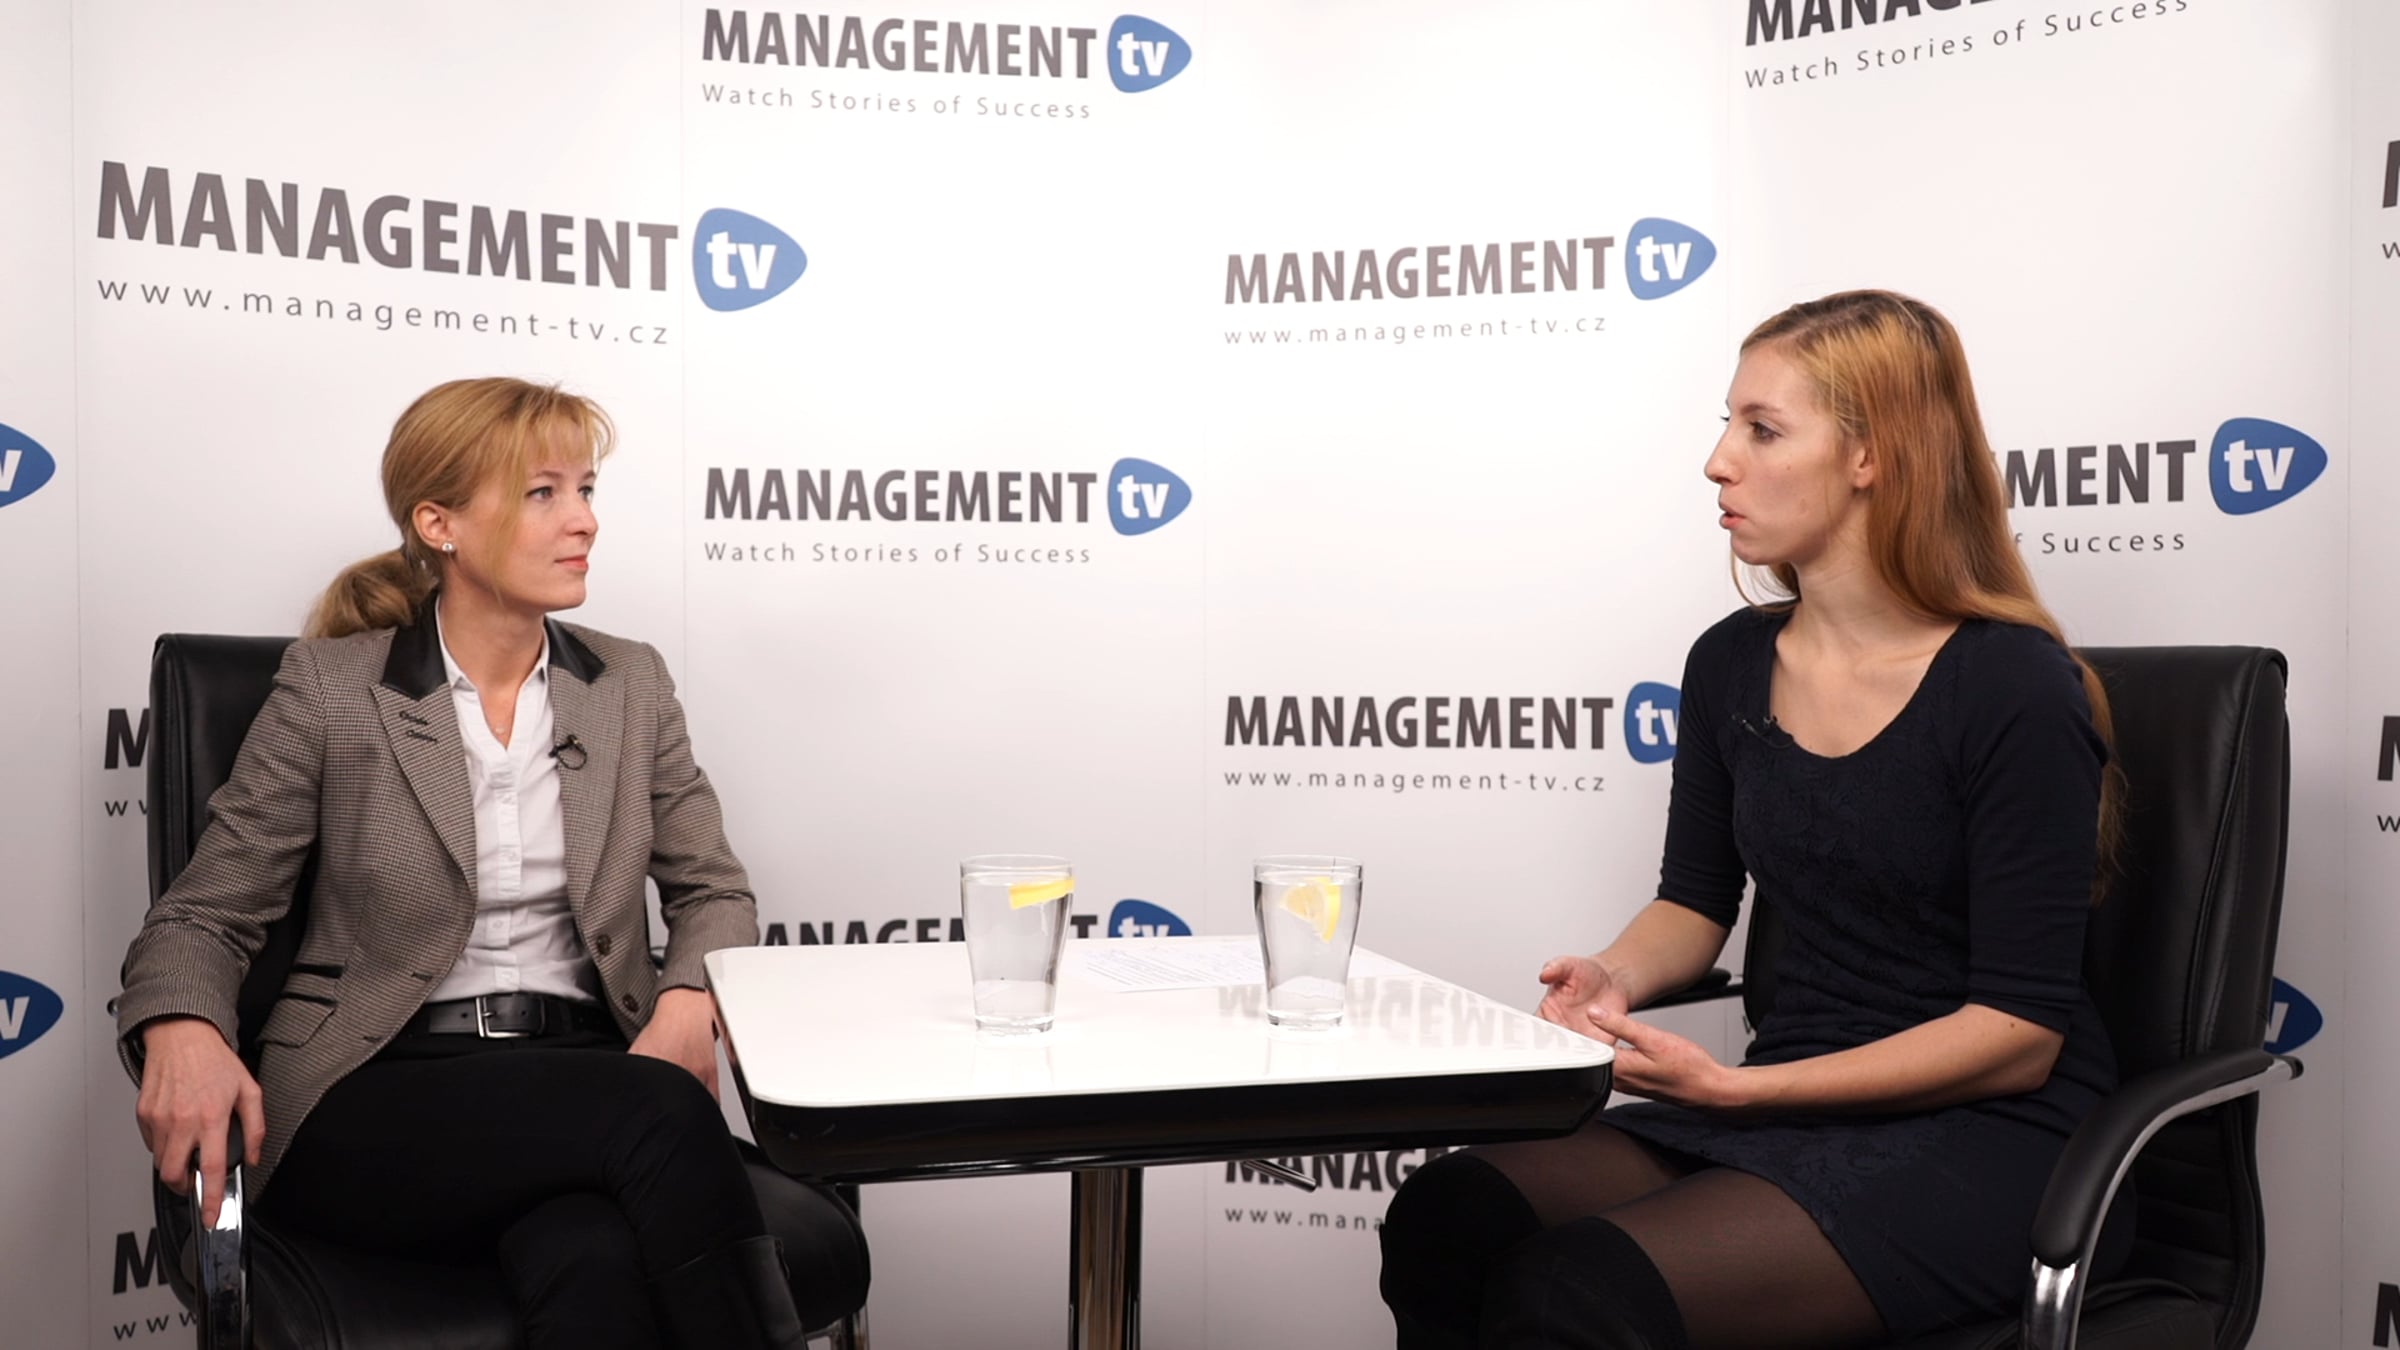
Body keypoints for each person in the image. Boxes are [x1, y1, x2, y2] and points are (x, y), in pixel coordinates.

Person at [1378, 291, 2134, 1349]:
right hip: (1781, 1102)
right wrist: (1614, 976)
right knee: (1449, 1215)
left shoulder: (2012, 686)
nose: (1718, 462)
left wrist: (1742, 1090)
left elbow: (2017, 1038)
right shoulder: (1729, 663)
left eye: (1763, 430)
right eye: (1728, 424)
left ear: (1870, 457)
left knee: (1581, 1291)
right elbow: (1693, 906)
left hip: (1996, 1137)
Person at [116, 377, 864, 1350]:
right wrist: (181, 1024)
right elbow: (203, 915)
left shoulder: (629, 683)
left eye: (586, 489)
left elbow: (713, 887)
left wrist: (687, 997)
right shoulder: (333, 689)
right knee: (659, 1114)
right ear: (440, 525)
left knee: (592, 1258)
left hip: (584, 1075)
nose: (584, 520)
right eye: (543, 493)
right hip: (378, 1089)